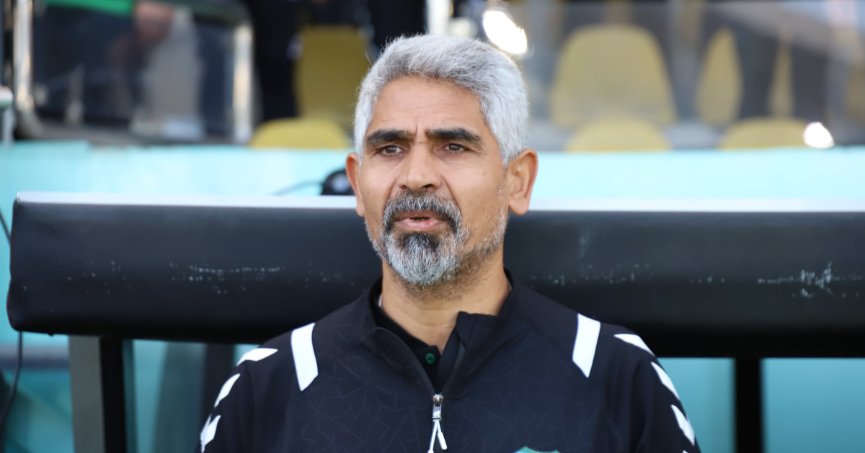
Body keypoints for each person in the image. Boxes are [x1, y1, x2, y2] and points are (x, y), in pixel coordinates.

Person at [199, 34, 699, 453]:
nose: (416, 175)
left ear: (518, 181)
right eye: (389, 148)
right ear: (356, 184)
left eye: (453, 146)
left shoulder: (614, 375)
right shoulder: (270, 387)